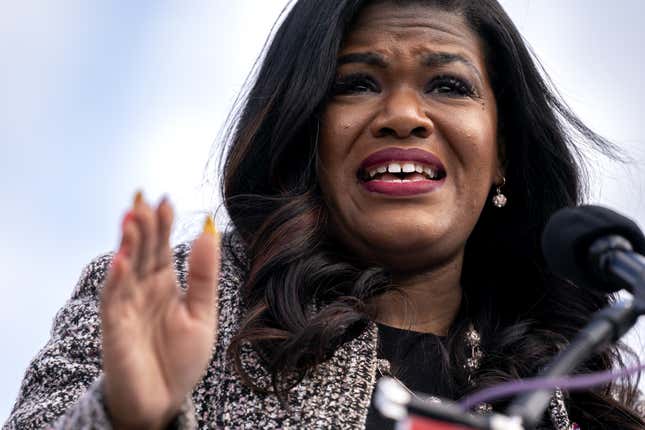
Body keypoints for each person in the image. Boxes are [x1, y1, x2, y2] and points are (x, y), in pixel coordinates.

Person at [4, 0, 644, 429]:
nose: (403, 114)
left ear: (503, 152)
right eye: (356, 83)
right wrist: (125, 415)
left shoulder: (583, 390)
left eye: (448, 85)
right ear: (308, 133)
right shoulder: (172, 303)